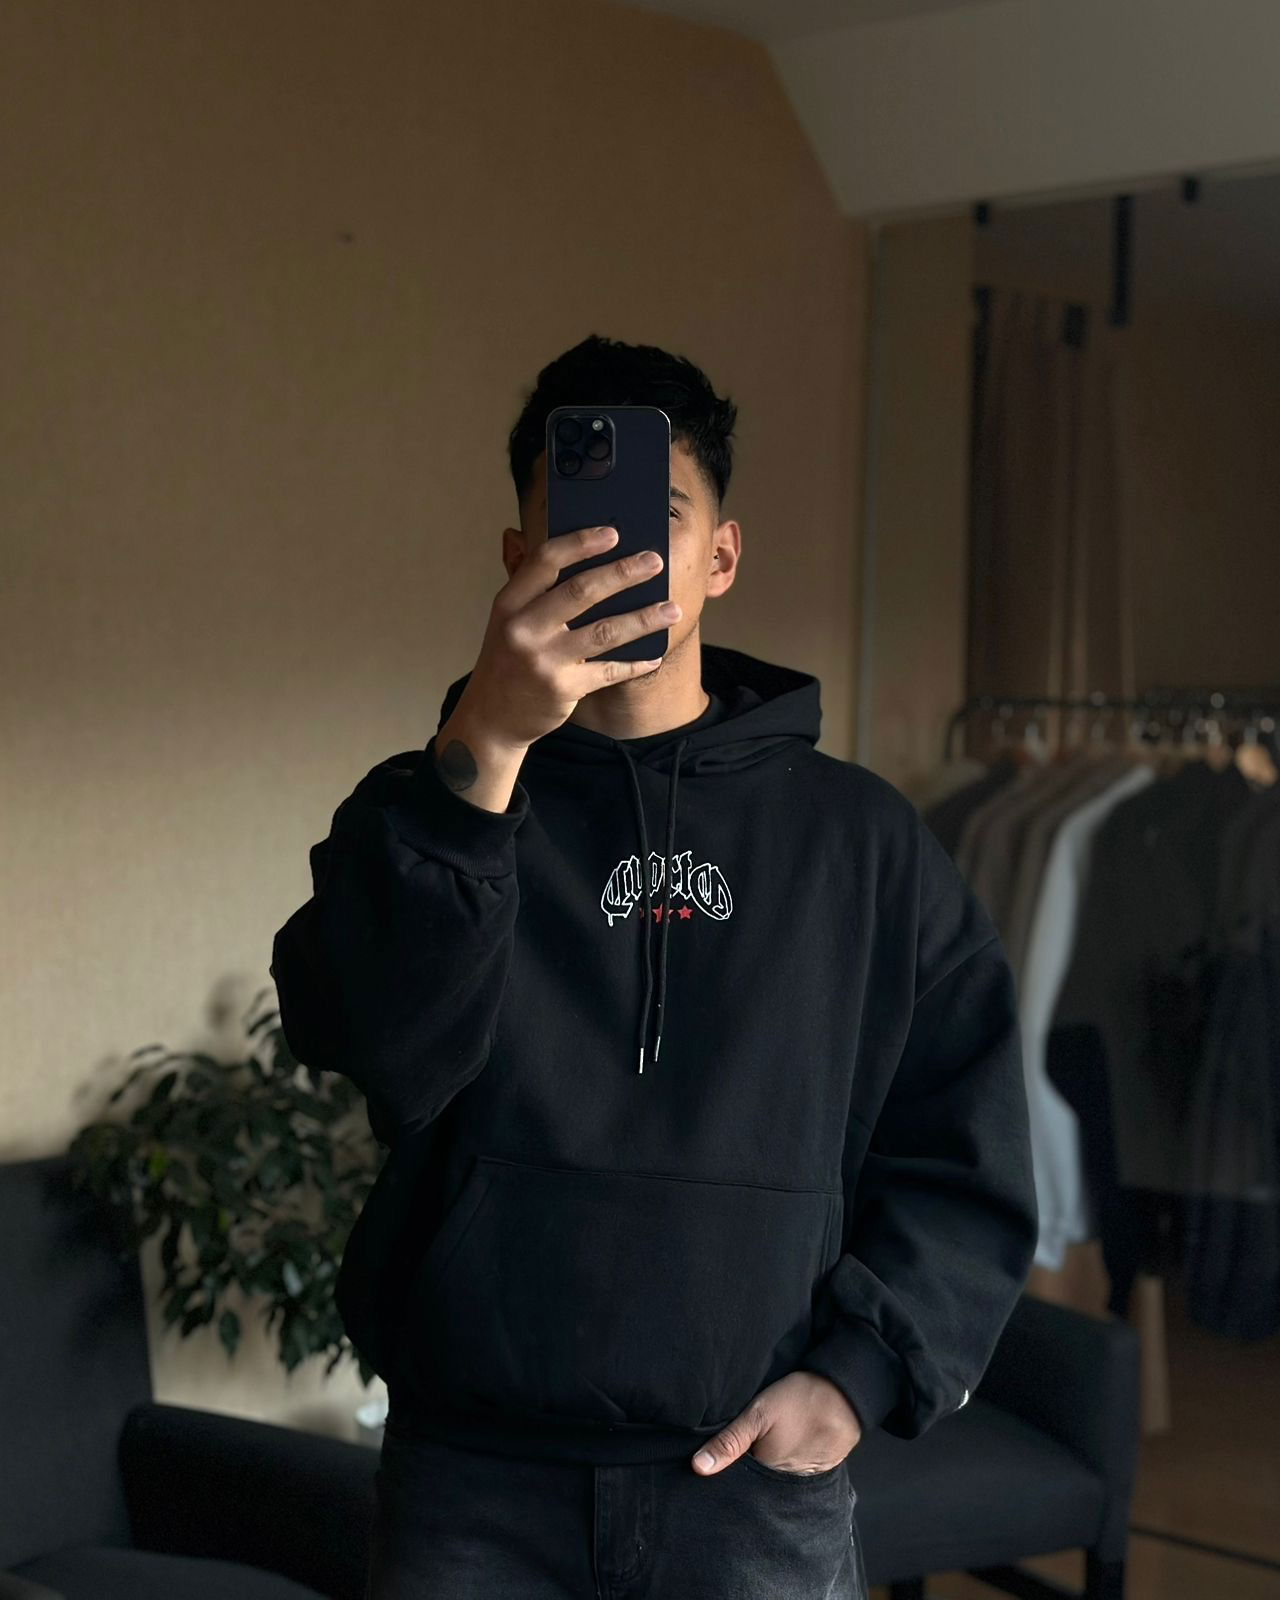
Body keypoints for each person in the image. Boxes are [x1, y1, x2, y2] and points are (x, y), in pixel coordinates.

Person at [269, 333, 1039, 1599]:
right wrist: (485, 752)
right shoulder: (428, 808)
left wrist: (858, 1375)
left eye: (656, 518)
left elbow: (968, 1133)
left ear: (719, 557)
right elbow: (378, 1051)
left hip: (749, 1491)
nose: (614, 552)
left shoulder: (857, 839)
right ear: (516, 558)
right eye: (572, 524)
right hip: (472, 1485)